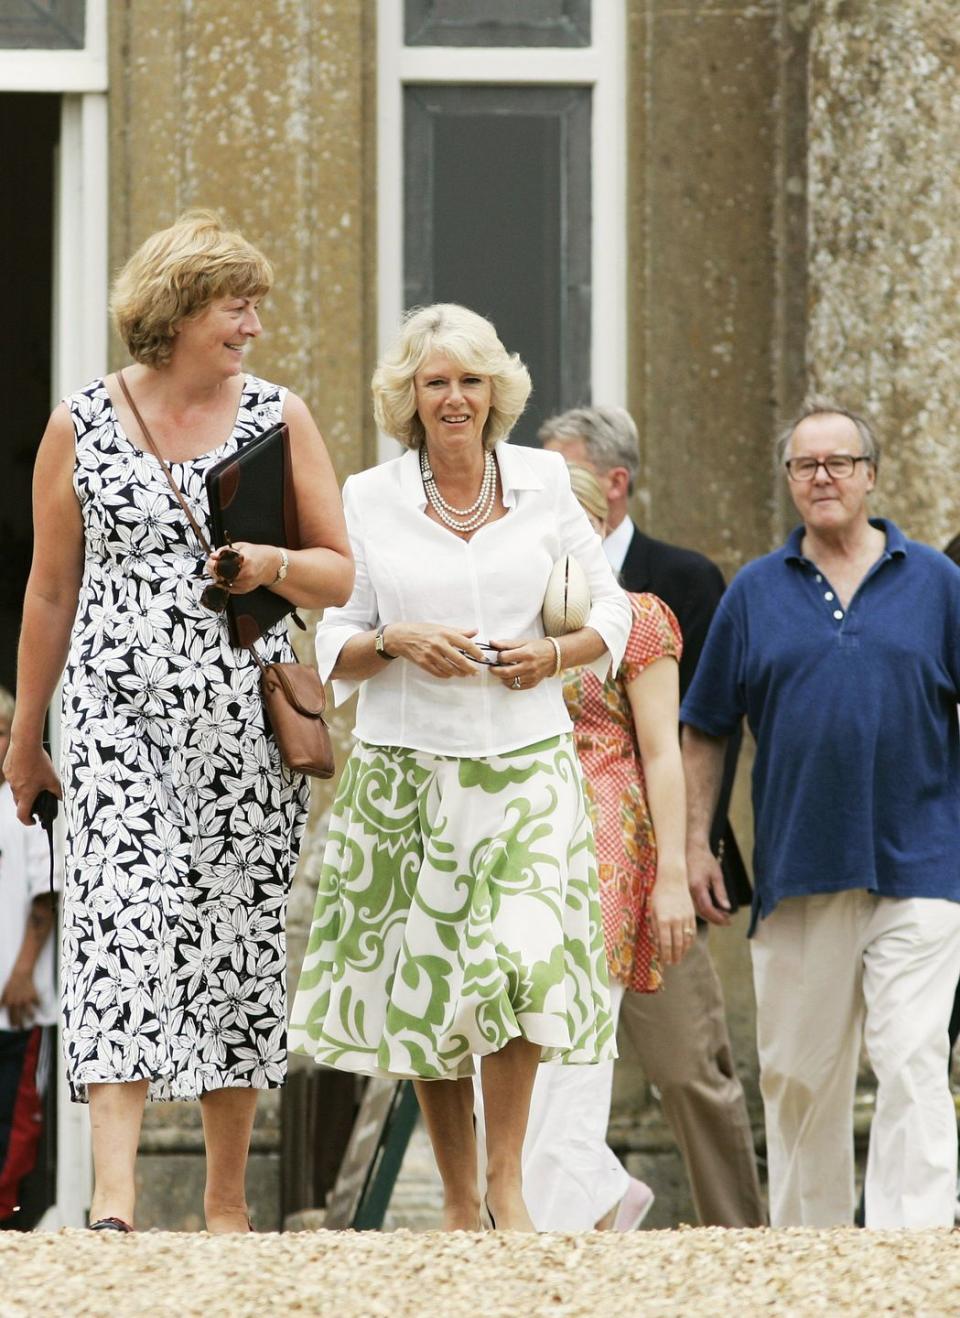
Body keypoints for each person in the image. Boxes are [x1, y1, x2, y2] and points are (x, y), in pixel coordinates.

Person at [3, 211, 354, 1234]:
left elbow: (338, 569)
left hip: (241, 720)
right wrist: (29, 740)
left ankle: (226, 1198)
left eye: (256, 303)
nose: (252, 320)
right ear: (177, 308)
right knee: (115, 920)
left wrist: (271, 565)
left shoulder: (280, 418)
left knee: (234, 938)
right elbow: (47, 591)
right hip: (114, 716)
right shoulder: (81, 420)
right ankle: (113, 1200)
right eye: (234, 302)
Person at [288, 303, 632, 1232]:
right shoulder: (367, 496)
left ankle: (508, 1186)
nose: (454, 398)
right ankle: (455, 1194)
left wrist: (552, 659)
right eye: (435, 381)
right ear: (409, 396)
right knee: (431, 982)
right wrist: (397, 640)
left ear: (496, 393)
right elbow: (335, 640)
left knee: (517, 966)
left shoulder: (544, 485)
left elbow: (615, 613)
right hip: (408, 770)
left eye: (470, 380)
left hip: (523, 762)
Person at [682, 399, 960, 1228]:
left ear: (872, 475)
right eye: (807, 466)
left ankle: (911, 1252)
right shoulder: (755, 594)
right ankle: (814, 1257)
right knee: (800, 1078)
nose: (824, 477)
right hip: (798, 868)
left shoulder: (939, 584)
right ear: (791, 484)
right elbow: (705, 728)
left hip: (923, 864)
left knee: (911, 1060)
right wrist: (695, 842)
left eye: (840, 462)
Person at [539, 406, 764, 1227]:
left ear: (610, 496)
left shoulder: (676, 586)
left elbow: (689, 736)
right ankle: (570, 1210)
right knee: (536, 1055)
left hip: (639, 854)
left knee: (688, 1063)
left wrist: (684, 860)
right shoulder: (505, 608)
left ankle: (740, 1239)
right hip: (531, 860)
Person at [486, 463, 695, 1231]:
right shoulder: (503, 616)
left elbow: (663, 753)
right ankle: (592, 1200)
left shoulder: (637, 619)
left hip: (605, 840)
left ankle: (568, 1229)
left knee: (575, 1043)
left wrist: (670, 878)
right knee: (508, 1036)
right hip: (509, 843)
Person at [0, 687, 59, 1230]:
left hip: (16, 1004)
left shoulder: (19, 805)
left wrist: (21, 971)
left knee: (15, 1119)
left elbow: (46, 892)